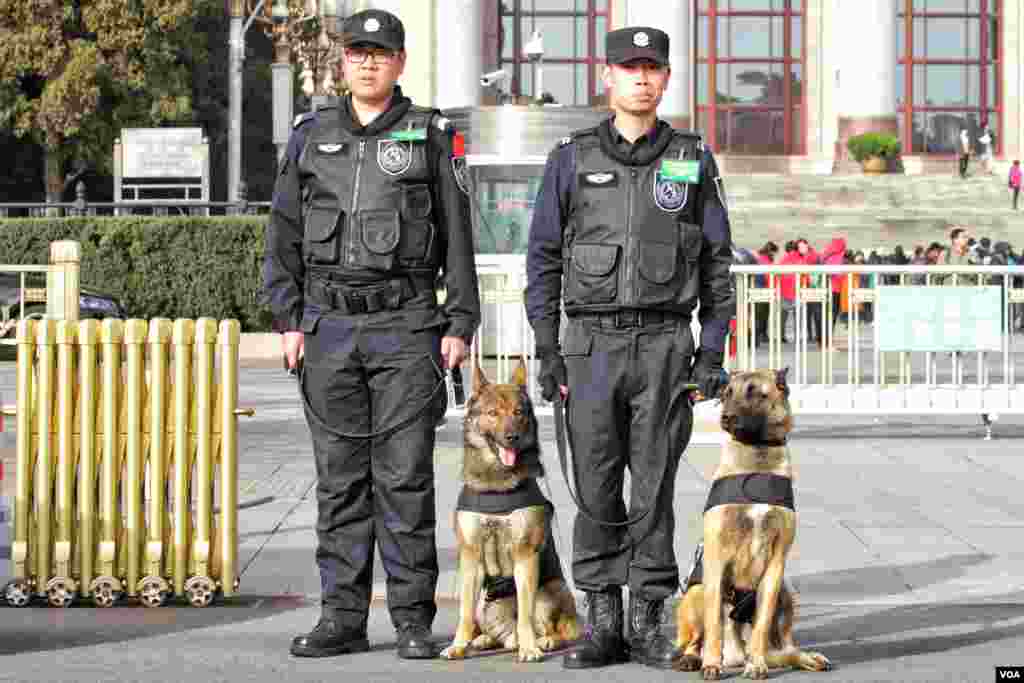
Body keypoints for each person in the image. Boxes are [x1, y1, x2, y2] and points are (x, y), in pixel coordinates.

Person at [263, 9, 481, 659]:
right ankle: (342, 615)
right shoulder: (310, 135)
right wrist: (287, 317)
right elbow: (283, 235)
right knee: (339, 479)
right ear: (342, 61)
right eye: (357, 51)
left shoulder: (430, 135)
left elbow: (459, 236)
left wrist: (460, 321)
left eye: (379, 53)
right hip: (328, 325)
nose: (366, 62)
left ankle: (413, 617)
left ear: (400, 63)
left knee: (405, 476)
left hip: (406, 325)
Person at [525, 26, 733, 670]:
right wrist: (547, 348)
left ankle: (647, 616)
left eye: (653, 68)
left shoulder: (691, 158)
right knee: (594, 485)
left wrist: (711, 355)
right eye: (629, 67)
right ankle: (602, 620)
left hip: (666, 343)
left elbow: (719, 265)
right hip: (590, 343)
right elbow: (544, 258)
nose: (641, 78)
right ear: (607, 77)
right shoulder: (570, 156)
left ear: (667, 79)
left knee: (654, 486)